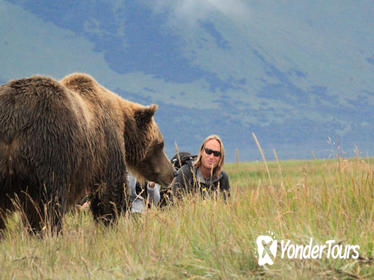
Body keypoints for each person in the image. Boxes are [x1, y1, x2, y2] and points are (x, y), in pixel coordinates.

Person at [172, 135, 230, 201]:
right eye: (208, 151)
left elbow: (226, 205)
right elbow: (174, 204)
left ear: (220, 157)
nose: (211, 157)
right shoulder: (185, 173)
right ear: (201, 152)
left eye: (216, 154)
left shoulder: (222, 178)